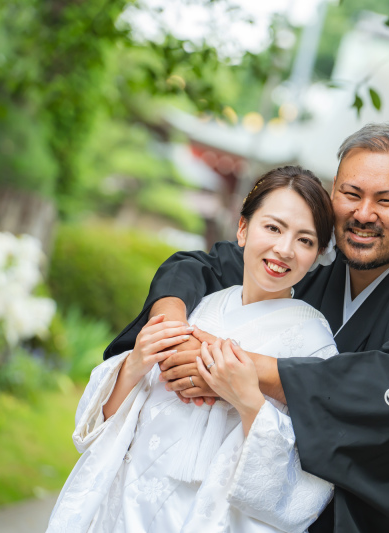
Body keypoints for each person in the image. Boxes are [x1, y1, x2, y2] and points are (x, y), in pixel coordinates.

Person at [105, 122, 389, 533]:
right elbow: (198, 267)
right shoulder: (306, 264)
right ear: (332, 192)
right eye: (351, 194)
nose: (363, 214)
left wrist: (227, 368)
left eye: (387, 200)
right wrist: (172, 327)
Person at [48, 167, 339, 533]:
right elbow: (95, 426)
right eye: (273, 228)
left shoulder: (314, 341)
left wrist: (249, 401)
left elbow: (302, 488)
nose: (284, 249)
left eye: (305, 240)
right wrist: (136, 364)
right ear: (243, 229)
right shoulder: (199, 307)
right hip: (126, 505)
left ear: (317, 254)